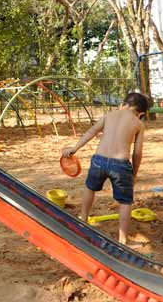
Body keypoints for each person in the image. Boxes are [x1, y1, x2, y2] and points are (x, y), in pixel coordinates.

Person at [60, 92, 149, 244]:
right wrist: (133, 174)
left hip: (98, 161)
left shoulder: (109, 115)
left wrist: (75, 148)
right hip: (120, 165)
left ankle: (83, 219)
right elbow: (137, 153)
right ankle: (123, 239)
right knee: (125, 202)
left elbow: (92, 131)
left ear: (123, 104)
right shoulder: (138, 124)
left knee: (90, 188)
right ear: (140, 114)